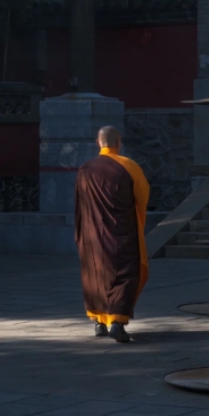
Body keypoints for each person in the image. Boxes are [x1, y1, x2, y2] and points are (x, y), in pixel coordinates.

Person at [74, 125, 149, 343]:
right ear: (119, 143)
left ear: (98, 143)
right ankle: (117, 322)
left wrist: (81, 234)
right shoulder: (129, 166)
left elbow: (79, 205)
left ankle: (98, 322)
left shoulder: (85, 169)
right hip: (121, 232)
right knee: (125, 275)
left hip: (91, 235)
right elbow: (142, 197)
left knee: (95, 276)